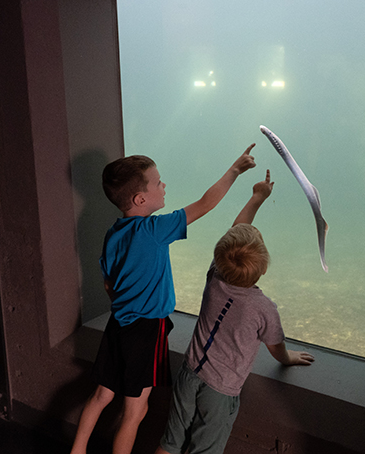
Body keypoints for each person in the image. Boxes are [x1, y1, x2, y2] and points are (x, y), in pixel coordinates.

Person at [70, 145, 258, 454]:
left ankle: (77, 450)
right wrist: (235, 170)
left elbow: (108, 284)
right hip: (146, 330)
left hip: (118, 324)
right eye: (158, 182)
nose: (164, 185)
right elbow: (205, 204)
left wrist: (128, 301)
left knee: (101, 396)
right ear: (140, 199)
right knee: (135, 411)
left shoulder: (113, 233)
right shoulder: (154, 230)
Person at [156, 169, 315, 454]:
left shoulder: (215, 277)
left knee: (170, 443)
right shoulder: (263, 308)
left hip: (189, 372)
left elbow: (235, 232)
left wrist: (256, 197)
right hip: (219, 391)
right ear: (263, 269)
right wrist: (288, 358)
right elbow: (276, 347)